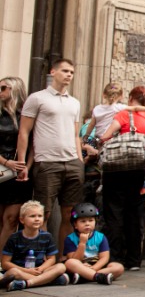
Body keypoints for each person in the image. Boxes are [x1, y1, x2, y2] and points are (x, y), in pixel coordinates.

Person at [16, 59, 84, 250]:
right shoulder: (37, 98)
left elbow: (76, 133)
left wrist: (79, 160)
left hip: (72, 162)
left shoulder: (75, 102)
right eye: (65, 71)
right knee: (41, 214)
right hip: (47, 162)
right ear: (53, 72)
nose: (69, 75)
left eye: (72, 72)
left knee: (70, 213)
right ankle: (41, 256)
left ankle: (63, 257)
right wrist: (22, 163)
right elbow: (24, 131)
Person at [96, 86, 145, 270]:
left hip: (116, 170)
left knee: (114, 214)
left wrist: (98, 140)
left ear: (131, 98)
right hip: (138, 170)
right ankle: (134, 260)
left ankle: (115, 257)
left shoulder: (124, 114)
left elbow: (106, 136)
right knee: (132, 215)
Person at [0, 200, 68, 291]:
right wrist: (27, 271)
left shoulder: (47, 236)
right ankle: (48, 280)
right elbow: (5, 263)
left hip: (39, 270)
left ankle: (27, 283)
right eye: (32, 216)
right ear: (22, 220)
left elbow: (51, 259)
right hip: (21, 271)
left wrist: (41, 268)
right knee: (13, 273)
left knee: (61, 267)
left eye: (40, 216)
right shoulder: (14, 238)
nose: (37, 219)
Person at [0, 76, 31, 252]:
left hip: (20, 171)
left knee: (12, 218)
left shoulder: (26, 115)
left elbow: (34, 144)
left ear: (15, 90)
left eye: (3, 88)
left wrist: (27, 166)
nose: (0, 92)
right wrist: (6, 162)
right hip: (2, 166)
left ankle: (3, 261)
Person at [62, 203, 124, 284]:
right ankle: (97, 276)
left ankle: (85, 277)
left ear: (95, 222)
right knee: (70, 263)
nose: (87, 223)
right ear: (75, 225)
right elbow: (74, 259)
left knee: (118, 267)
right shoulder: (70, 239)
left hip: (96, 266)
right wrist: (82, 243)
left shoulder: (101, 237)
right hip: (80, 266)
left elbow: (104, 258)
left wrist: (94, 268)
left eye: (91, 220)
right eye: (83, 221)